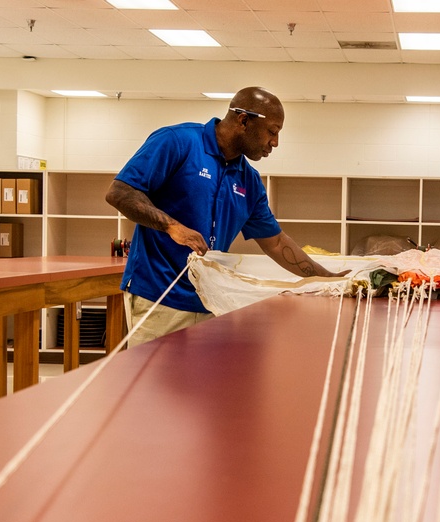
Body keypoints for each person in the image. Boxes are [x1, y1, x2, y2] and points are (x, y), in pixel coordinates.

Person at [106, 87, 346, 346]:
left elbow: (276, 243)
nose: (275, 143)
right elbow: (120, 192)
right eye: (272, 132)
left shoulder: (249, 181)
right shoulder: (178, 142)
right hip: (159, 296)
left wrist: (328, 280)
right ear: (244, 120)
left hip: (210, 300)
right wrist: (172, 226)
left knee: (205, 386)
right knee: (154, 385)